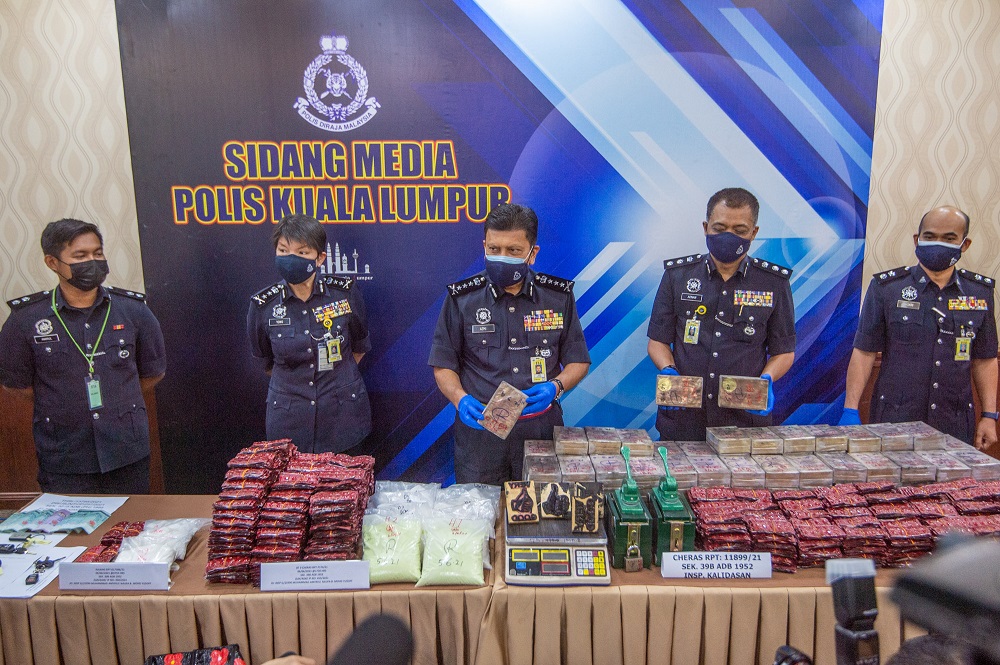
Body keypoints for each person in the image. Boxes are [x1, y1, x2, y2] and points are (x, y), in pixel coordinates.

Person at [0, 218, 166, 493]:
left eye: (97, 253)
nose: (93, 261)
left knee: (131, 530)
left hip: (125, 449)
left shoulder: (134, 311)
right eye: (80, 256)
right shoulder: (25, 319)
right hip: (64, 454)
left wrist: (116, 396)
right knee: (73, 533)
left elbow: (152, 373)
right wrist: (64, 401)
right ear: (52, 263)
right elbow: (17, 385)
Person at [429, 203, 591, 483]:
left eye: (513, 251)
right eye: (494, 249)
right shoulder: (462, 299)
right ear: (484, 246)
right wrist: (460, 399)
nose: (502, 258)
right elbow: (443, 364)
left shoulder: (557, 297)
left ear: (532, 253)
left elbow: (578, 360)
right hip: (481, 436)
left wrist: (557, 386)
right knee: (482, 519)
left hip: (541, 433)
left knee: (542, 517)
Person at [839, 206, 998, 449]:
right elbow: (864, 352)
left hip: (954, 420)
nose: (938, 243)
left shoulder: (979, 293)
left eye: (949, 239)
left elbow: (985, 359)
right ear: (917, 240)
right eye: (930, 236)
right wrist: (850, 408)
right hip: (895, 417)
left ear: (964, 245)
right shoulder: (887, 288)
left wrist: (989, 415)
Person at [647, 187, 796, 441]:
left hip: (744, 423)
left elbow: (783, 351)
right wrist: (668, 369)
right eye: (719, 228)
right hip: (684, 418)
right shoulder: (678, 276)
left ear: (754, 232)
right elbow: (657, 341)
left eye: (739, 231)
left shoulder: (773, 283)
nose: (728, 237)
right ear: (705, 227)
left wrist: (767, 380)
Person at [247, 214, 372, 453]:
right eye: (283, 251)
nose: (290, 259)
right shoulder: (263, 305)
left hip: (343, 418)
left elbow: (358, 347)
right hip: (289, 423)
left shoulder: (344, 293)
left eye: (302, 253)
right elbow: (266, 362)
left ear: (320, 257)